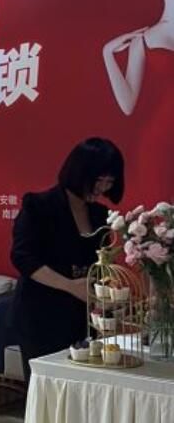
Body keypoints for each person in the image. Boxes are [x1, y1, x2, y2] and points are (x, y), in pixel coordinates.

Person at [10, 138, 125, 383]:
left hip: (82, 317)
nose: (103, 188)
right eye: (99, 180)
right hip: (41, 314)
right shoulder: (39, 206)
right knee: (46, 387)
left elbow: (101, 263)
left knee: (82, 385)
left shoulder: (100, 214)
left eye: (110, 182)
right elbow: (23, 257)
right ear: (80, 172)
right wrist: (70, 286)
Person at [103, 0, 174, 203]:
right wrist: (107, 54)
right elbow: (127, 105)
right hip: (160, 142)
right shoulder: (144, 39)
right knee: (160, 216)